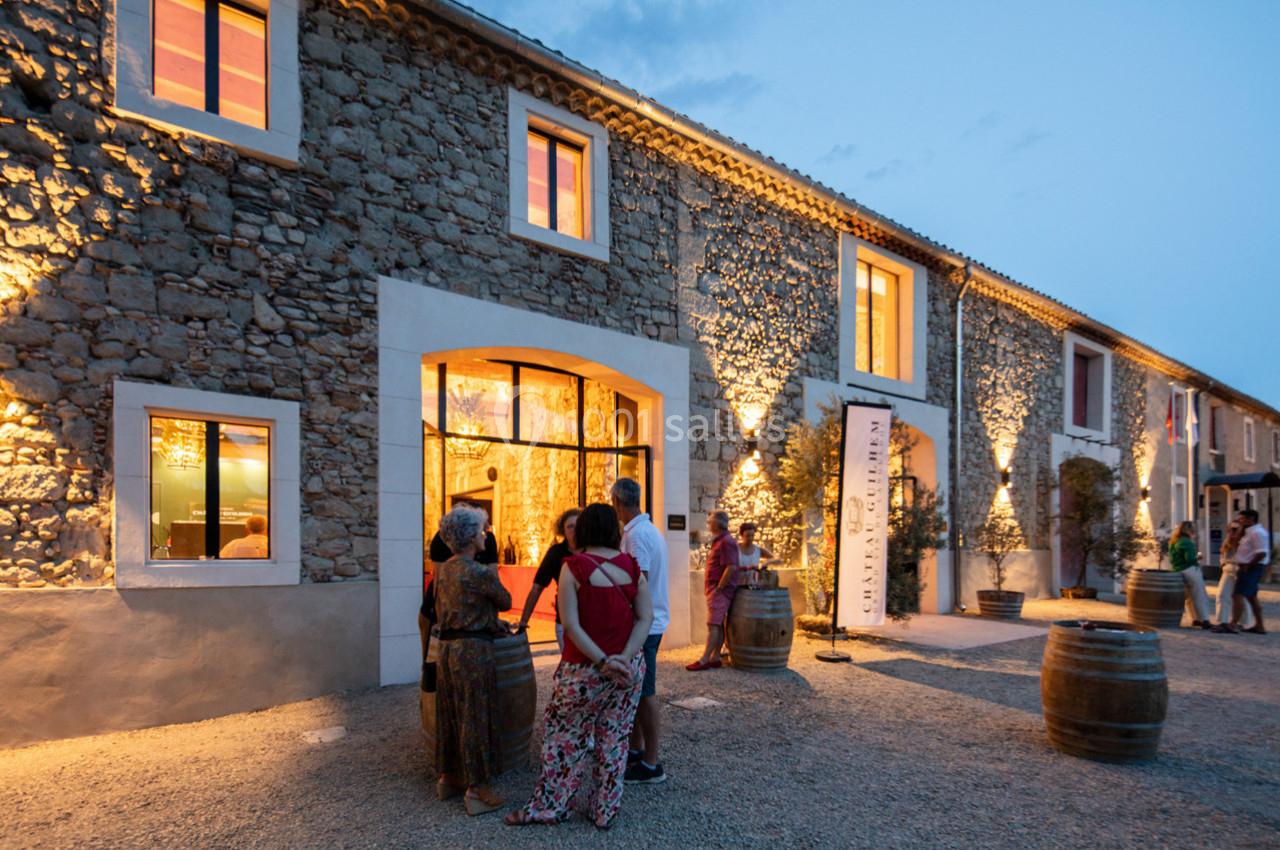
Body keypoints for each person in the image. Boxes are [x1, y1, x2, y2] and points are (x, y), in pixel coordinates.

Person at [506, 503, 653, 830]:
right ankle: (604, 810)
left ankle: (551, 807)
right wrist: (624, 658)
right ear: (614, 530)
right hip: (627, 669)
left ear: (584, 529)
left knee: (564, 739)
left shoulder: (573, 567)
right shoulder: (631, 567)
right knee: (615, 740)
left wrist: (602, 661)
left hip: (582, 671)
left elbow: (571, 625)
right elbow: (646, 618)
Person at [432, 505, 513, 816]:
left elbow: (452, 609)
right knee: (475, 715)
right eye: (481, 531)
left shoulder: (444, 571)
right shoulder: (479, 573)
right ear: (469, 537)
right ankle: (477, 789)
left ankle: (449, 777)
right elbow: (505, 601)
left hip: (447, 649)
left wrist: (488, 620)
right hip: (473, 651)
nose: (485, 535)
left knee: (450, 711)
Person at [611, 478, 669, 785]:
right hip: (652, 622)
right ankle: (637, 748)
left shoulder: (636, 536)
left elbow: (638, 582)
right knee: (638, 690)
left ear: (617, 502)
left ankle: (651, 764)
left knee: (646, 693)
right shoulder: (648, 530)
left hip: (645, 626)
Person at [516, 508, 581, 650]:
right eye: (570, 526)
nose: (575, 530)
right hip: (565, 619)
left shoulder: (592, 550)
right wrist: (524, 621)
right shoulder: (556, 553)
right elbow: (537, 587)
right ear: (563, 531)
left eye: (578, 525)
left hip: (591, 618)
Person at [687, 511, 740, 672]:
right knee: (717, 624)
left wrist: (719, 588)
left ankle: (704, 660)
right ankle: (715, 658)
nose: (708, 525)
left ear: (717, 524)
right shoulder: (721, 541)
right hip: (716, 590)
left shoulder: (726, 542)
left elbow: (731, 567)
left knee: (713, 625)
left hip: (719, 591)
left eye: (710, 522)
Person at [1220, 509, 1269, 634]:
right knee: (1251, 597)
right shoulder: (1248, 532)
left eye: (1242, 519)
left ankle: (1233, 624)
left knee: (1237, 595)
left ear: (1250, 519)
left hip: (1251, 567)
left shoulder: (1257, 533)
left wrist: (1249, 565)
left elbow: (1261, 553)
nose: (1240, 521)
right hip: (1245, 566)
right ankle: (1259, 625)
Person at [1213, 516, 1256, 631]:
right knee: (1222, 595)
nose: (1232, 532)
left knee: (1242, 598)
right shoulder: (1227, 541)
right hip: (1228, 569)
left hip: (1240, 569)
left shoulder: (1246, 541)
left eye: (1235, 529)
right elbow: (1223, 554)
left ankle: (1244, 623)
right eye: (1230, 529)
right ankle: (1222, 621)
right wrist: (1223, 564)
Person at [1167, 521, 1212, 629]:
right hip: (1190, 570)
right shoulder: (1187, 542)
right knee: (1199, 595)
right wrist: (1198, 558)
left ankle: (1194, 618)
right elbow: (1190, 559)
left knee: (1188, 596)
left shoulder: (1173, 541)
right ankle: (1204, 619)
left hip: (1178, 570)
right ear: (1190, 530)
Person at [737, 522, 774, 588]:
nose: (750, 538)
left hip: (753, 586)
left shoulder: (758, 550)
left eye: (752, 535)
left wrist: (765, 564)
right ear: (742, 535)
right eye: (747, 536)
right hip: (737, 584)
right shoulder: (735, 549)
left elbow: (775, 558)